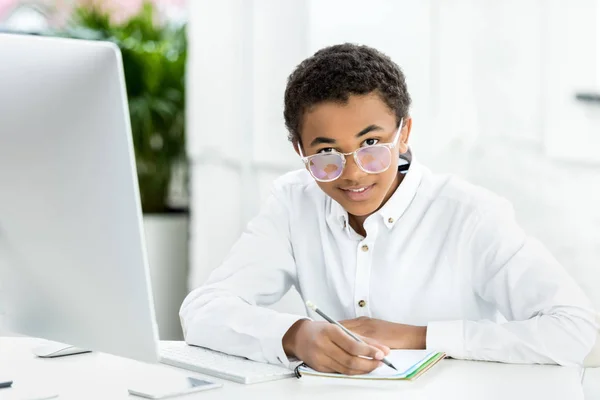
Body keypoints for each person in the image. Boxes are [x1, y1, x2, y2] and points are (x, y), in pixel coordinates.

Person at [180, 43, 599, 375]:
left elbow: (576, 330)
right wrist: (295, 335)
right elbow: (203, 311)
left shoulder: (470, 215)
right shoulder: (293, 203)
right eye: (326, 153)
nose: (353, 173)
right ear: (298, 149)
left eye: (371, 145)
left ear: (404, 134)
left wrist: (414, 336)